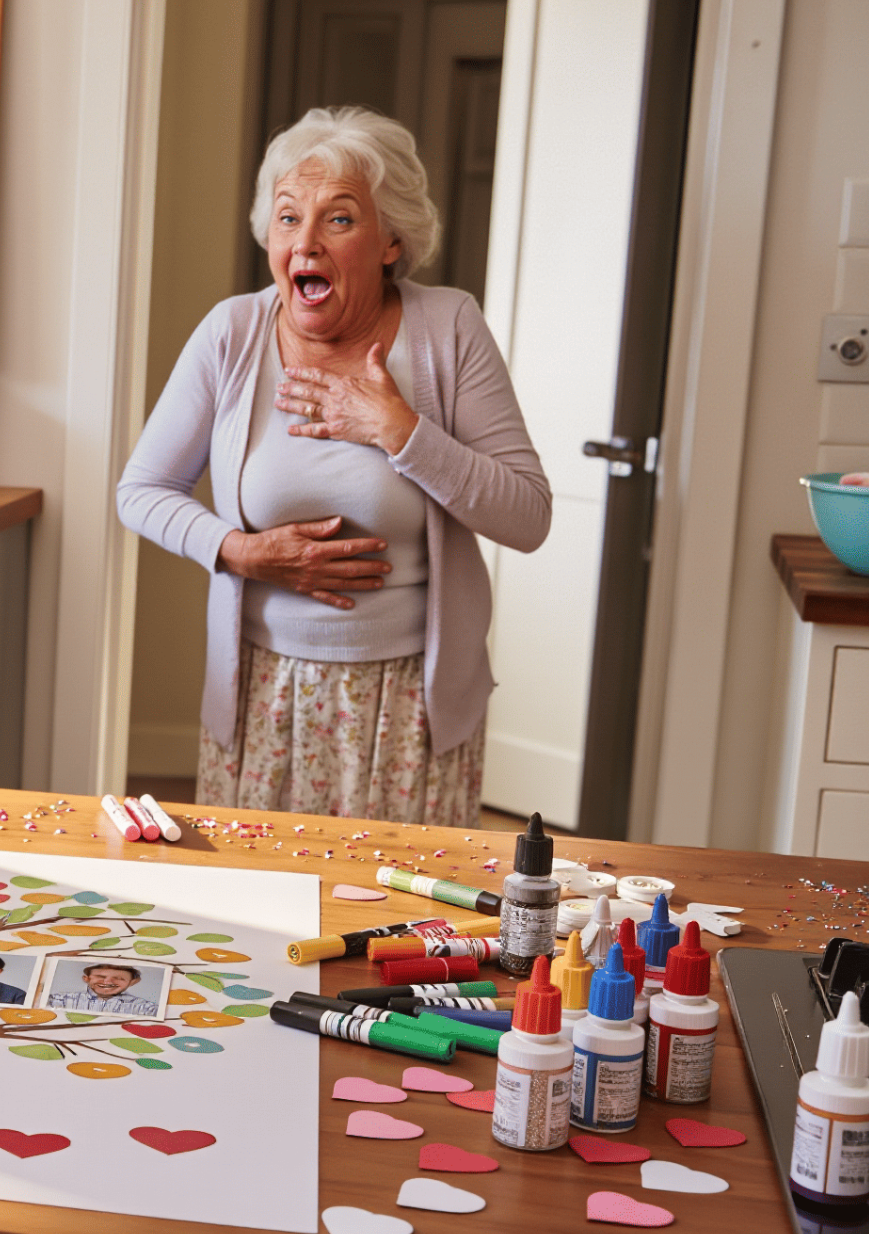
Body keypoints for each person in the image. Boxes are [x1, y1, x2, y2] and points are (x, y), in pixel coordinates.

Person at [115, 106, 550, 826]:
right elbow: (141, 490)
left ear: (392, 241)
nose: (305, 242)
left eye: (339, 219)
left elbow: (528, 516)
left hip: (411, 705)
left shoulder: (449, 329)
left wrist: (399, 430)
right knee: (261, 890)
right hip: (262, 694)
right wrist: (240, 551)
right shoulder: (232, 332)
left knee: (400, 897)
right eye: (288, 218)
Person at [45, 963, 157, 1016]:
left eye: (119, 978)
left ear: (132, 982)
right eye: (100, 976)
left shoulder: (146, 1009)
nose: (107, 982)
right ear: (86, 978)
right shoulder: (59, 1000)